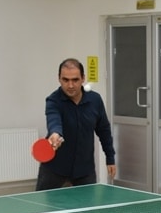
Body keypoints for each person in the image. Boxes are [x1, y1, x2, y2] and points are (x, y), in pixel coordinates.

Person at [36, 58, 117, 190]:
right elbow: (54, 120)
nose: (70, 85)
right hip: (54, 169)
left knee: (87, 204)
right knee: (43, 203)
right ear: (59, 79)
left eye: (75, 80)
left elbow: (104, 130)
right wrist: (55, 134)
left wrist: (110, 158)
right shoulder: (53, 101)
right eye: (65, 80)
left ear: (83, 78)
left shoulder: (95, 100)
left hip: (84, 170)